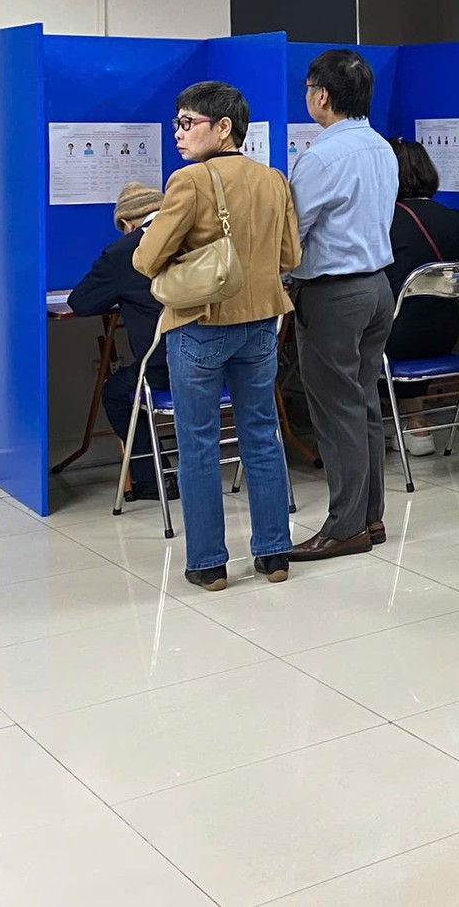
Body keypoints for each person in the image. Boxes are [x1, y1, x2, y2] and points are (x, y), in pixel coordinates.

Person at [132, 81, 302, 591]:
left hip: (201, 324)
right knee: (262, 435)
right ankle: (274, 554)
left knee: (199, 443)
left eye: (188, 123)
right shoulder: (273, 179)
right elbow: (290, 256)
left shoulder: (189, 181)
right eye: (177, 123)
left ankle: (208, 564)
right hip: (261, 323)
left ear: (224, 127)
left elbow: (145, 260)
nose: (178, 133)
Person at [288, 49, 397, 562]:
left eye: (309, 88)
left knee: (337, 412)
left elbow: (292, 234)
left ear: (323, 96)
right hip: (376, 287)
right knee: (363, 403)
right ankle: (370, 517)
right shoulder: (381, 147)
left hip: (333, 294)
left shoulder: (321, 157)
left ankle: (346, 526)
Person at [68, 182, 173, 500]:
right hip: (225, 360)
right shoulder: (198, 234)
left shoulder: (125, 250)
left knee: (117, 391)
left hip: (166, 367)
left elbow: (81, 302)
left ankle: (155, 480)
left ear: (127, 223)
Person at [383, 138, 459, 457]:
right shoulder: (451, 217)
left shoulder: (385, 220)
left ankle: (379, 426)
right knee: (410, 321)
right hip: (445, 331)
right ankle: (416, 422)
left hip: (396, 336)